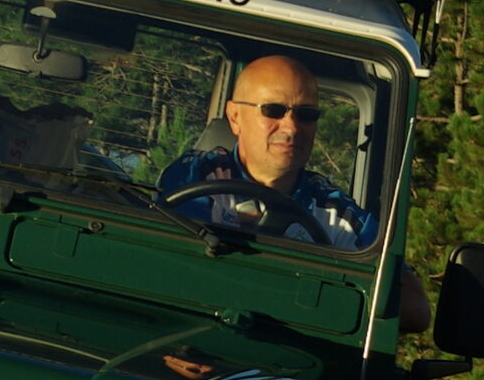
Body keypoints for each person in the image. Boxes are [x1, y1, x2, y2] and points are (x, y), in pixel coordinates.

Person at [156, 53, 377, 250]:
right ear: (235, 117)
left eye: (306, 114)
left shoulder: (338, 216)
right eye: (273, 110)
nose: (291, 128)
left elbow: (398, 283)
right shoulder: (193, 179)